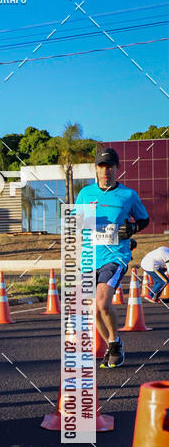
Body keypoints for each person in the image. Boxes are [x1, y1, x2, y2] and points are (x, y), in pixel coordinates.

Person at [75, 147, 149, 368]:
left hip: (115, 256)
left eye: (110, 166)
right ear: (95, 169)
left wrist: (133, 228)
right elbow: (74, 220)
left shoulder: (128, 195)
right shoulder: (85, 194)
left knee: (102, 302)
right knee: (93, 308)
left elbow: (143, 219)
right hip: (89, 257)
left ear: (117, 168)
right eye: (101, 166)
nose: (105, 170)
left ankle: (115, 345)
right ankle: (113, 344)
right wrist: (79, 221)